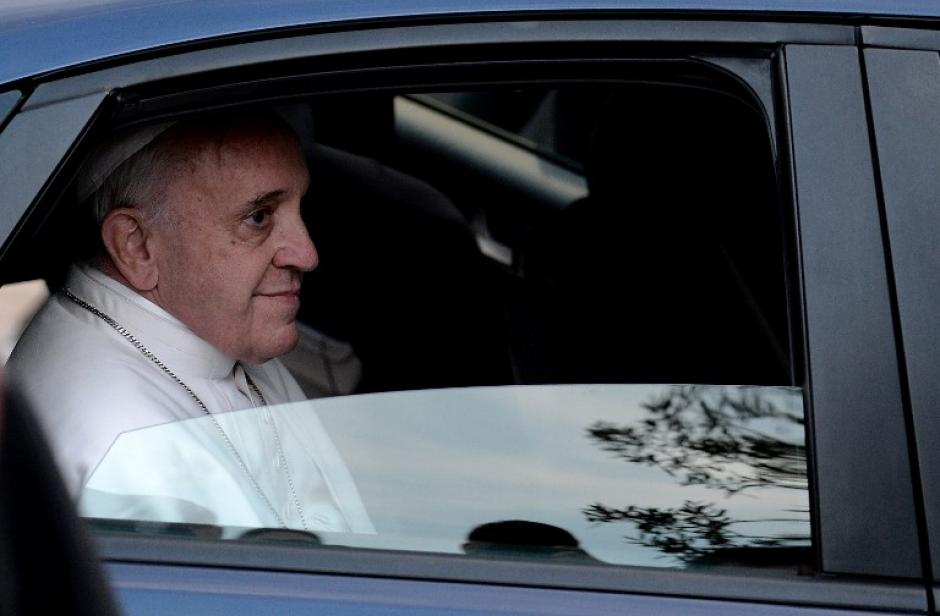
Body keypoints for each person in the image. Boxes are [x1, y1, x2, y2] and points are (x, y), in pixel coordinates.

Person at [6, 111, 373, 534]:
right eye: (259, 217)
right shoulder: (125, 447)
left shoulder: (215, 330)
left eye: (300, 209)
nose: (307, 254)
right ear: (136, 246)